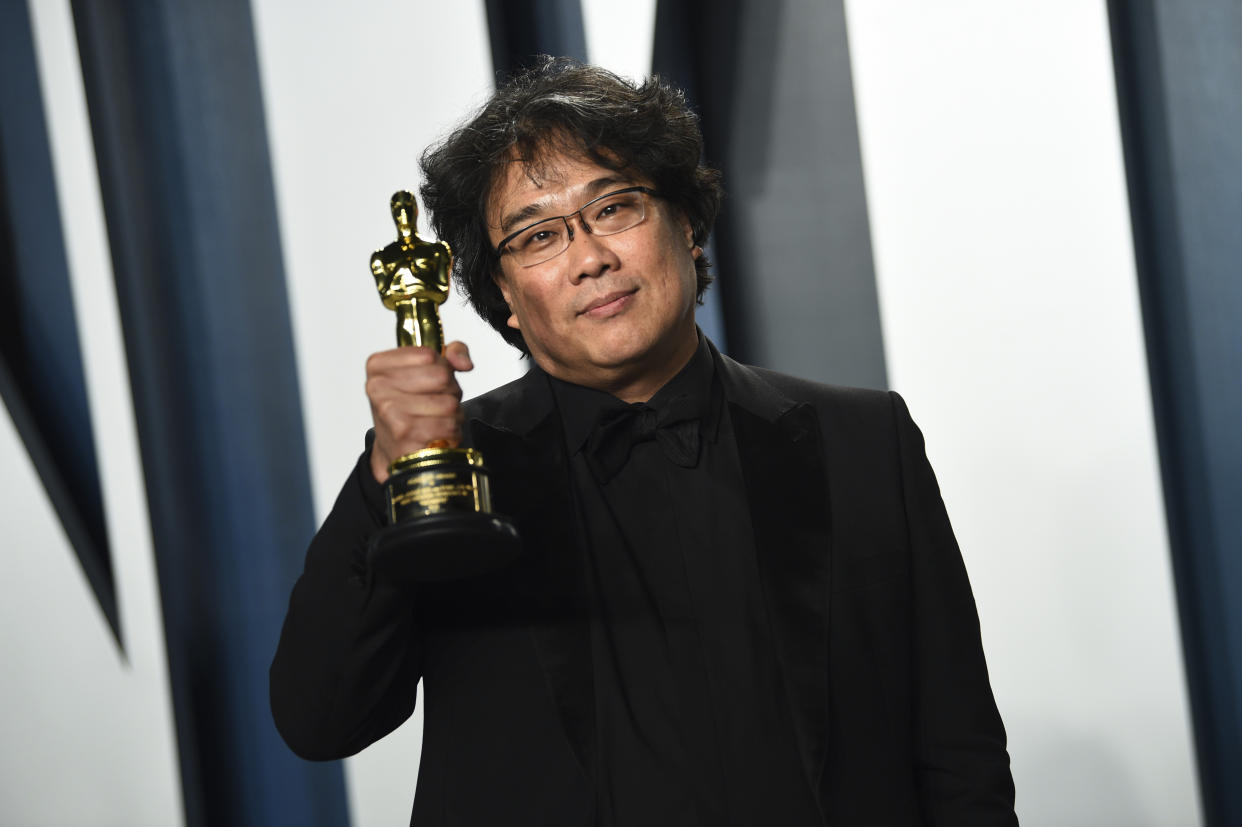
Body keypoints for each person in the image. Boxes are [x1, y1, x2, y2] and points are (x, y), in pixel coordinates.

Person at [271, 58, 1017, 826]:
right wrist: (387, 478)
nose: (590, 257)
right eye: (538, 236)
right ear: (504, 295)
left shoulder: (864, 440)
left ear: (687, 226)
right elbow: (321, 718)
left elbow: (960, 758)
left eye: (615, 207)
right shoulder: (460, 469)